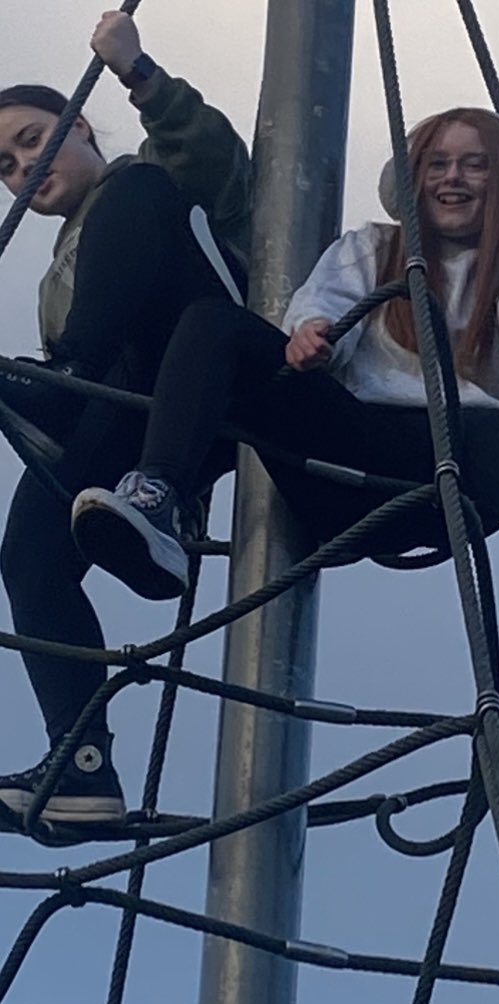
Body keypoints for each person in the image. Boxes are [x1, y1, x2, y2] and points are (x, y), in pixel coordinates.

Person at [70, 107, 499, 826]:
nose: (453, 178)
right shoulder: (371, 248)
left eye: (473, 163)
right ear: (413, 178)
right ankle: (156, 496)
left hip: (462, 454)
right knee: (215, 323)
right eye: (436, 163)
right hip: (354, 443)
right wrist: (309, 338)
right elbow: (321, 310)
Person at [0, 10, 250, 822]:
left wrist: (138, 74)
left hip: (207, 365)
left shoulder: (148, 182)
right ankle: (82, 762)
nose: (21, 168)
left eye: (33, 141)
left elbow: (219, 160)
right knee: (28, 547)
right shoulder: (56, 279)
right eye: (4, 166)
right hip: (120, 410)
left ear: (79, 128)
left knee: (135, 190)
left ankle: (74, 402)